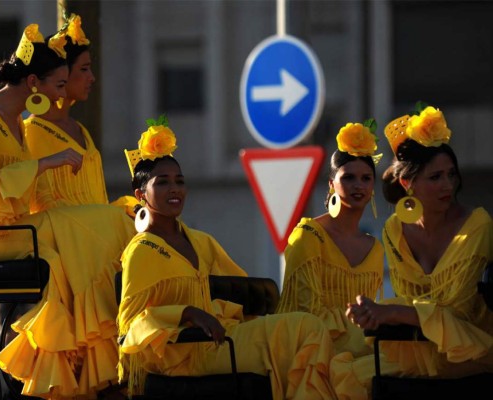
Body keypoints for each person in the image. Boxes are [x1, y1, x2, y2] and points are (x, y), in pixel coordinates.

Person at [0, 24, 134, 398]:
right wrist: (44, 164)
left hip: (19, 232)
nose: (61, 92)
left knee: (74, 243)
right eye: (58, 84)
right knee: (80, 223)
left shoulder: (16, 124)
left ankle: (80, 356)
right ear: (34, 81)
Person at [117, 116, 338, 399]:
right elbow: (128, 327)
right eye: (162, 183)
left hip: (220, 340)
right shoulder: (141, 250)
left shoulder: (200, 241)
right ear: (141, 195)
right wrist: (186, 313)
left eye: (179, 181)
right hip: (182, 356)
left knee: (307, 329)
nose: (174, 189)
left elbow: (243, 288)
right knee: (304, 331)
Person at [330, 104, 493, 399]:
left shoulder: (479, 225)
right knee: (340, 372)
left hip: (470, 353)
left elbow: (458, 315)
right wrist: (372, 314)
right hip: (416, 350)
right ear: (408, 184)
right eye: (435, 177)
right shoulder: (394, 230)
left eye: (451, 175)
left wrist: (389, 312)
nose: (448, 186)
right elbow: (409, 301)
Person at [276, 119, 385, 358]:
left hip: (364, 357)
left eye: (366, 178)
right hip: (313, 358)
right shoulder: (309, 236)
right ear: (331, 184)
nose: (358, 185)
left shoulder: (375, 248)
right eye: (348, 177)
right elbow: (304, 318)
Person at [24, 12, 137, 216]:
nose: (92, 78)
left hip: (98, 238)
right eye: (84, 69)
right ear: (62, 72)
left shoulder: (80, 129)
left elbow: (94, 201)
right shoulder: (30, 134)